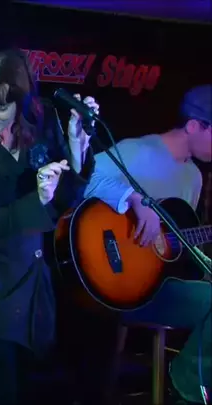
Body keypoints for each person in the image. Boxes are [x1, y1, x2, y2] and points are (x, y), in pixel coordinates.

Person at [0, 47, 97, 404]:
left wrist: (77, 151)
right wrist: (36, 200)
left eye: (0, 106)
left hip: (33, 290)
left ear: (20, 102)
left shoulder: (41, 128)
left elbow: (64, 201)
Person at [75, 84, 212, 404]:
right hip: (116, 282)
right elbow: (84, 179)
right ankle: (185, 388)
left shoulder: (194, 177)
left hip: (158, 285)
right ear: (194, 126)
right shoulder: (139, 152)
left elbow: (176, 247)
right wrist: (135, 200)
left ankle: (190, 384)